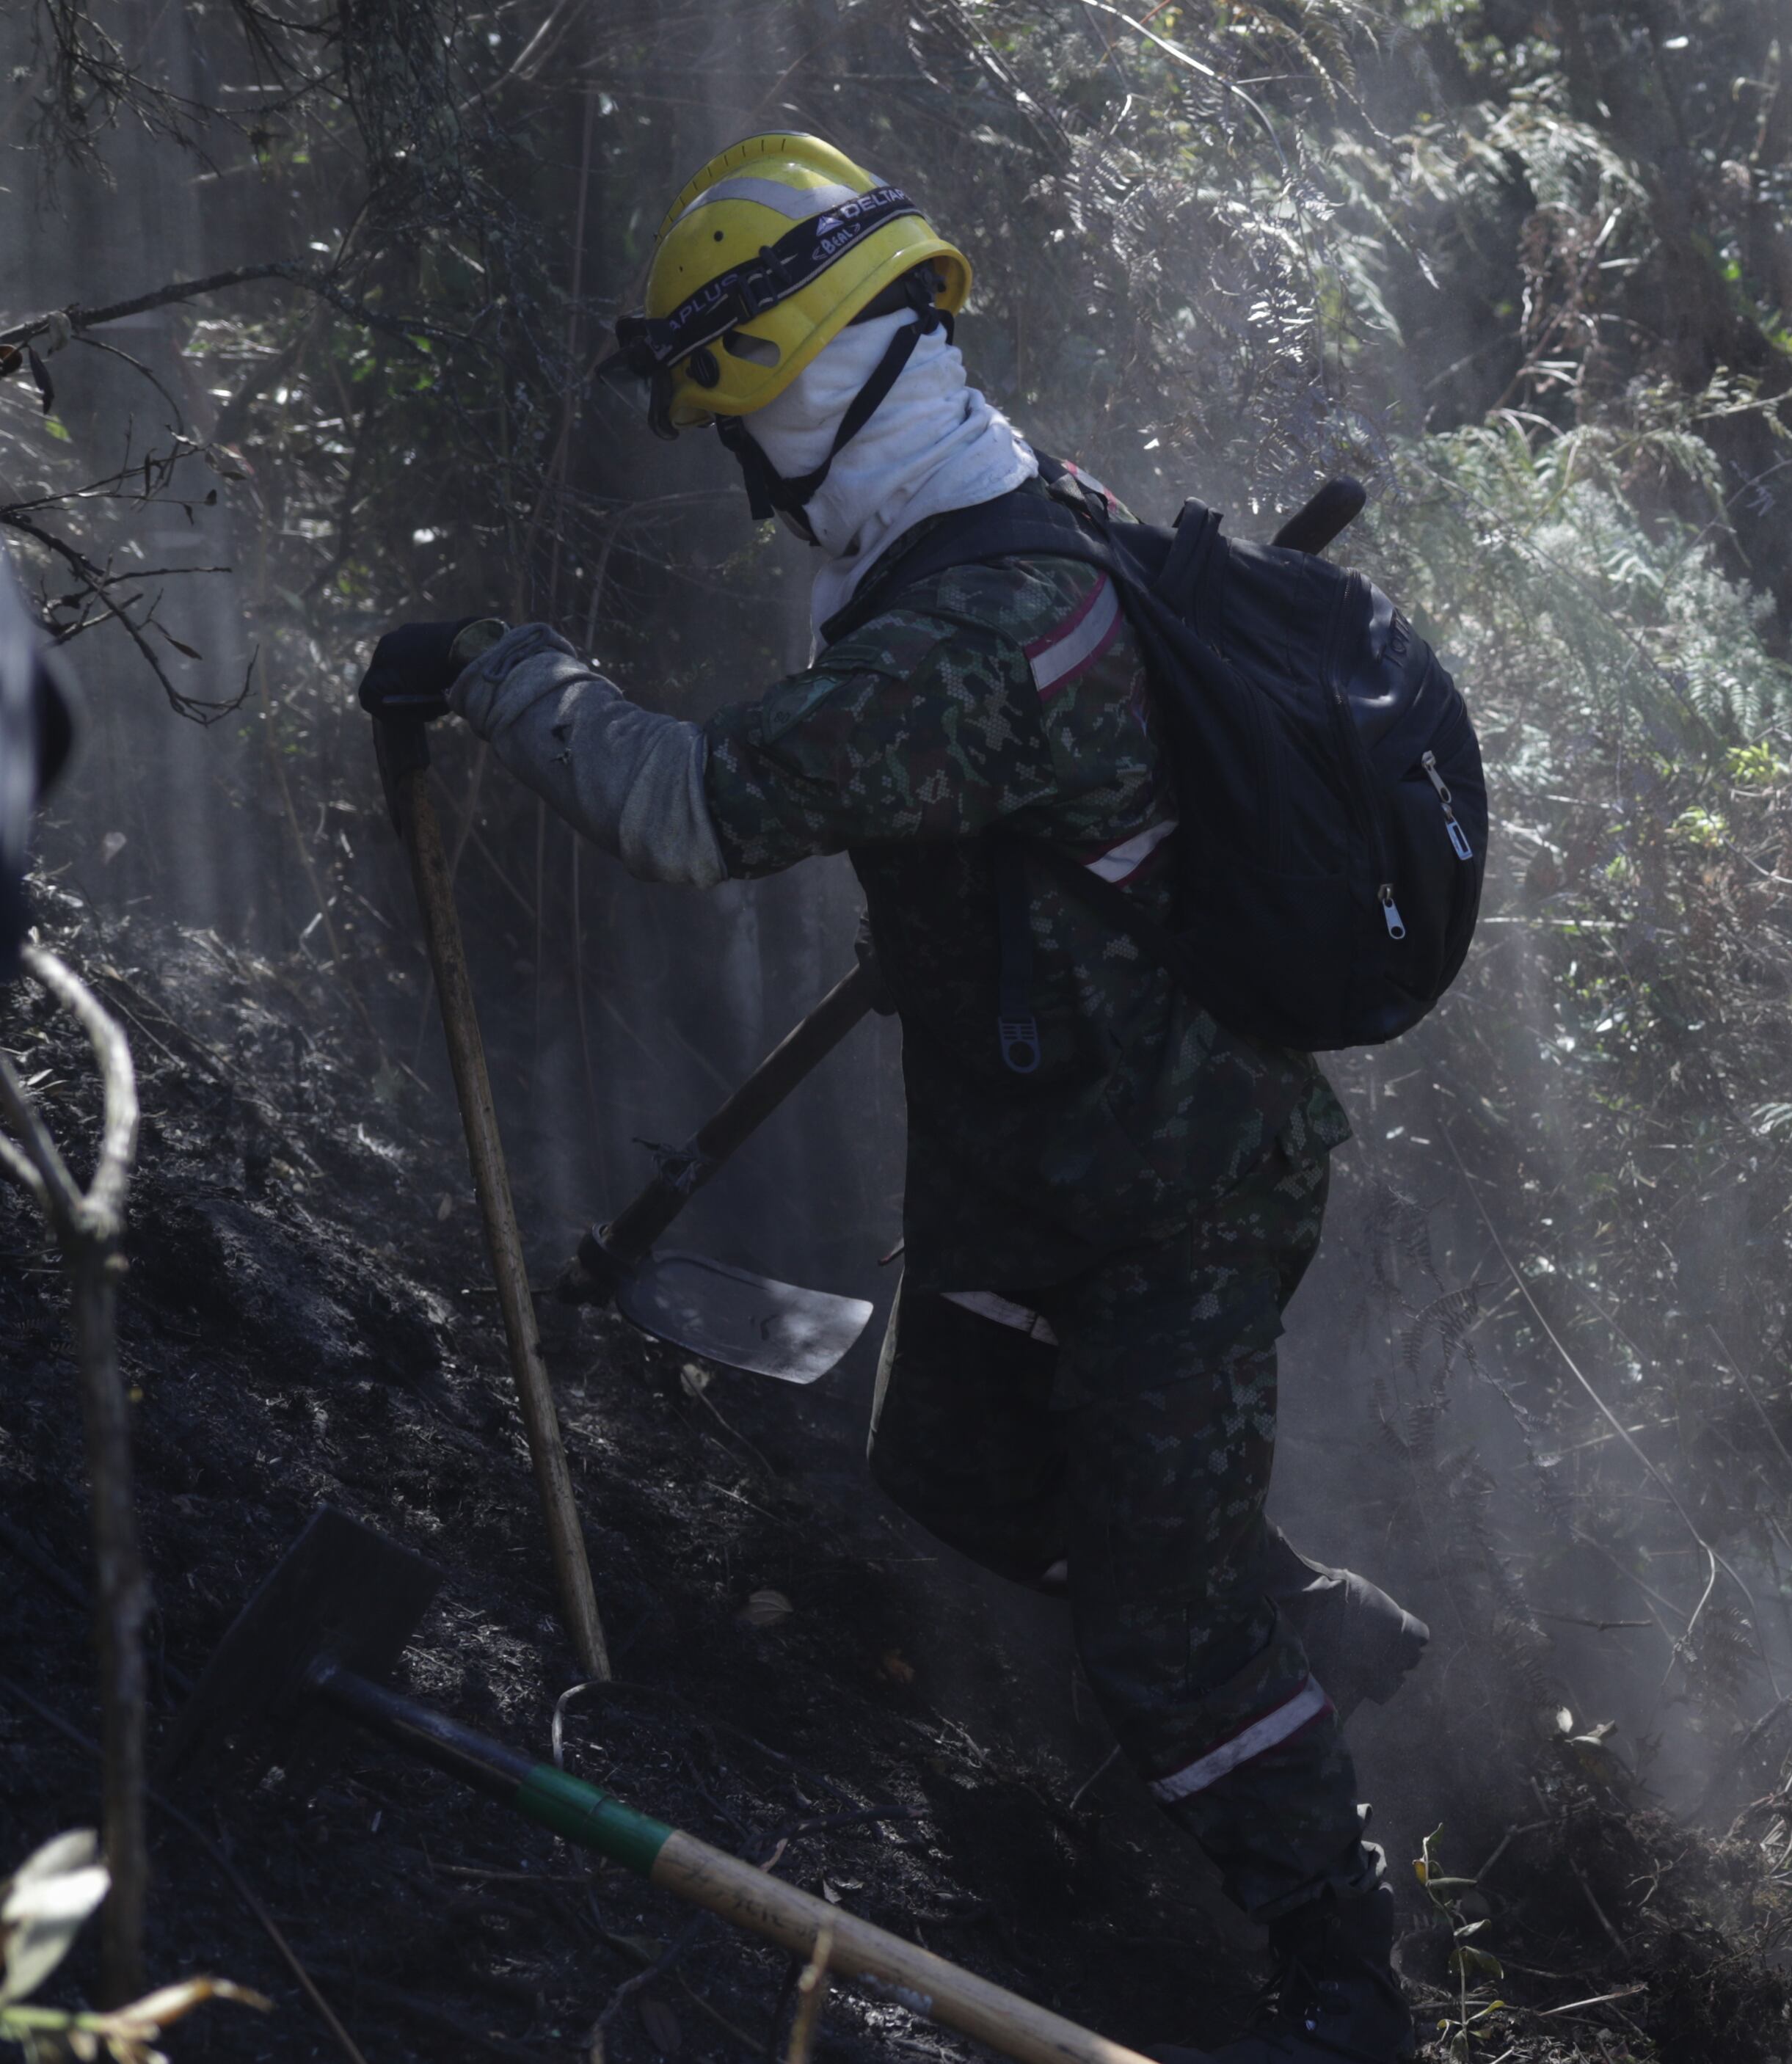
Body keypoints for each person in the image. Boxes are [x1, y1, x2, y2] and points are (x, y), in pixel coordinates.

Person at [354, 134, 1418, 2064]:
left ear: (791, 390)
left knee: (1160, 1648)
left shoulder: (967, 630)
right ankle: (1282, 1605)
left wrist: (501, 672)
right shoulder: (1005, 513)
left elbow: (690, 809)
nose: (737, 477)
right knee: (949, 1465)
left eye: (728, 420)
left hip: (1175, 1192)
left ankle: (1346, 1970)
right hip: (1047, 1159)